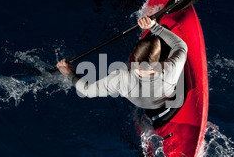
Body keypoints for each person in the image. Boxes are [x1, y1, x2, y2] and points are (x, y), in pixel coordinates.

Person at [56, 16, 187, 128]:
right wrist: (155, 27)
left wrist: (69, 74)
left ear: (135, 57)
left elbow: (86, 91)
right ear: (157, 62)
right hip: (171, 102)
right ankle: (156, 31)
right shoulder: (170, 69)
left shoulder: (121, 78)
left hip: (148, 108)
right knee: (168, 42)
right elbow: (181, 46)